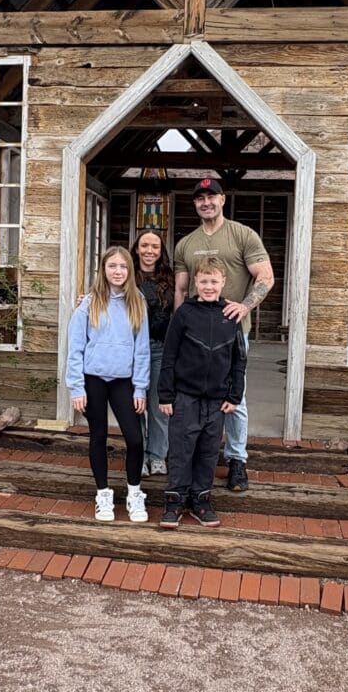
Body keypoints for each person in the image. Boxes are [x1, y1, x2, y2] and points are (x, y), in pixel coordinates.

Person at [173, 178, 274, 493]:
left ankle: (237, 459)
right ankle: (195, 456)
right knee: (193, 396)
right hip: (195, 336)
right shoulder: (185, 244)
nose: (206, 202)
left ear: (223, 199)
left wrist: (244, 307)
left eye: (211, 196)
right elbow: (180, 288)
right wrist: (179, 325)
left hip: (232, 334)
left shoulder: (243, 235)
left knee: (235, 397)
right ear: (195, 203)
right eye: (200, 198)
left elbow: (265, 277)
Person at [158, 257, 246, 528]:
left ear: (223, 283)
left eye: (214, 281)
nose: (209, 286)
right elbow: (169, 355)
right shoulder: (184, 313)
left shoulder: (231, 315)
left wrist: (234, 395)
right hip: (185, 397)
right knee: (181, 450)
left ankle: (201, 499)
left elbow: (239, 360)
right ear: (195, 282)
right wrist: (165, 395)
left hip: (217, 401)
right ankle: (175, 500)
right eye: (204, 281)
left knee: (208, 451)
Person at [65, 246, 150, 523]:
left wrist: (140, 387)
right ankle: (103, 494)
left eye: (123, 266)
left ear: (129, 271)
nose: (117, 271)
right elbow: (75, 347)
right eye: (112, 266)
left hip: (123, 381)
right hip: (94, 380)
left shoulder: (137, 301)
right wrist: (76, 386)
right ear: (103, 269)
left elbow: (142, 349)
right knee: (98, 435)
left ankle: (134, 492)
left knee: (135, 439)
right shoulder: (89, 303)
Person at [129, 230, 174, 477]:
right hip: (131, 350)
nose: (149, 251)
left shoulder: (170, 277)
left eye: (154, 247)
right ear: (136, 248)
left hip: (159, 347)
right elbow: (104, 294)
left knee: (157, 405)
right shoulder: (126, 275)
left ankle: (157, 455)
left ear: (161, 251)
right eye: (144, 245)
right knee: (135, 405)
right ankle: (139, 454)